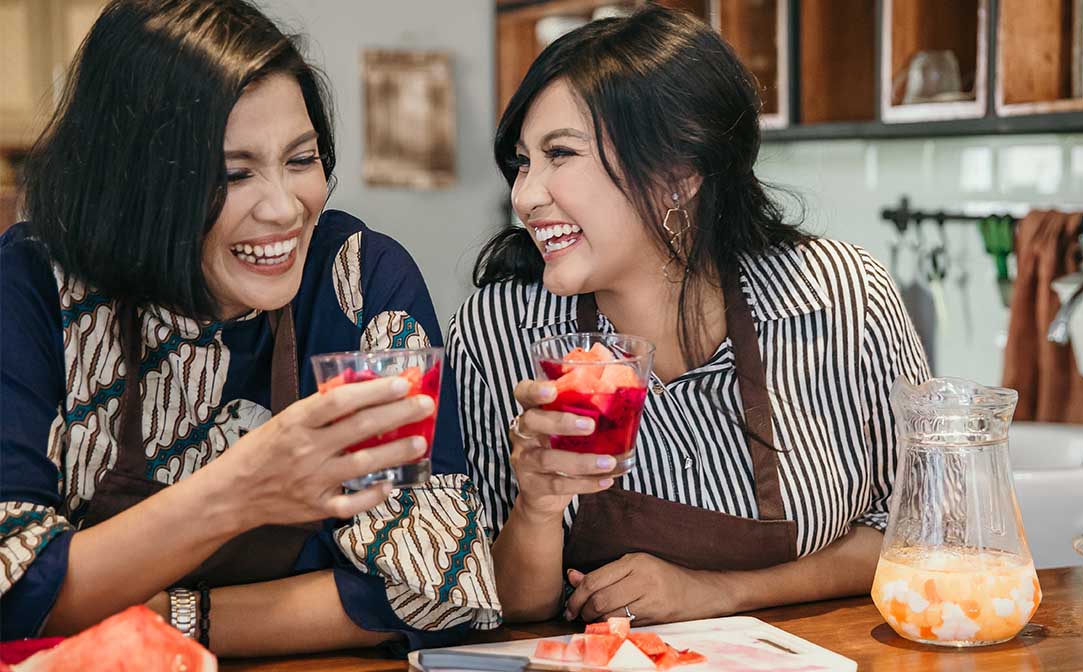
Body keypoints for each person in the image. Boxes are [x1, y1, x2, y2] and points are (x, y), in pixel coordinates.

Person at [0, 0, 498, 656]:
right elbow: (15, 588)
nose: (285, 208)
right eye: (234, 173)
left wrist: (171, 614)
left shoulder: (357, 285)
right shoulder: (34, 287)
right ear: (132, 180)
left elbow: (438, 587)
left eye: (301, 159)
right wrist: (238, 491)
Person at [448, 5, 930, 625]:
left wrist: (717, 591)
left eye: (560, 154)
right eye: (523, 161)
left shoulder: (839, 296)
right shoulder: (499, 332)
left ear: (680, 169)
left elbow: (924, 533)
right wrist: (537, 508)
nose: (525, 195)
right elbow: (498, 610)